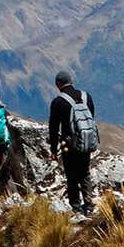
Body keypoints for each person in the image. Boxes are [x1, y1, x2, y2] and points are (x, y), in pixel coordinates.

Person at [49, 71, 96, 216]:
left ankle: (76, 207)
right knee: (85, 172)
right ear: (71, 81)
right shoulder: (86, 96)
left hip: (68, 144)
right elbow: (91, 117)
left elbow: (54, 127)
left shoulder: (58, 101)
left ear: (58, 84)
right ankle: (89, 205)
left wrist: (53, 148)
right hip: (86, 140)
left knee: (71, 175)